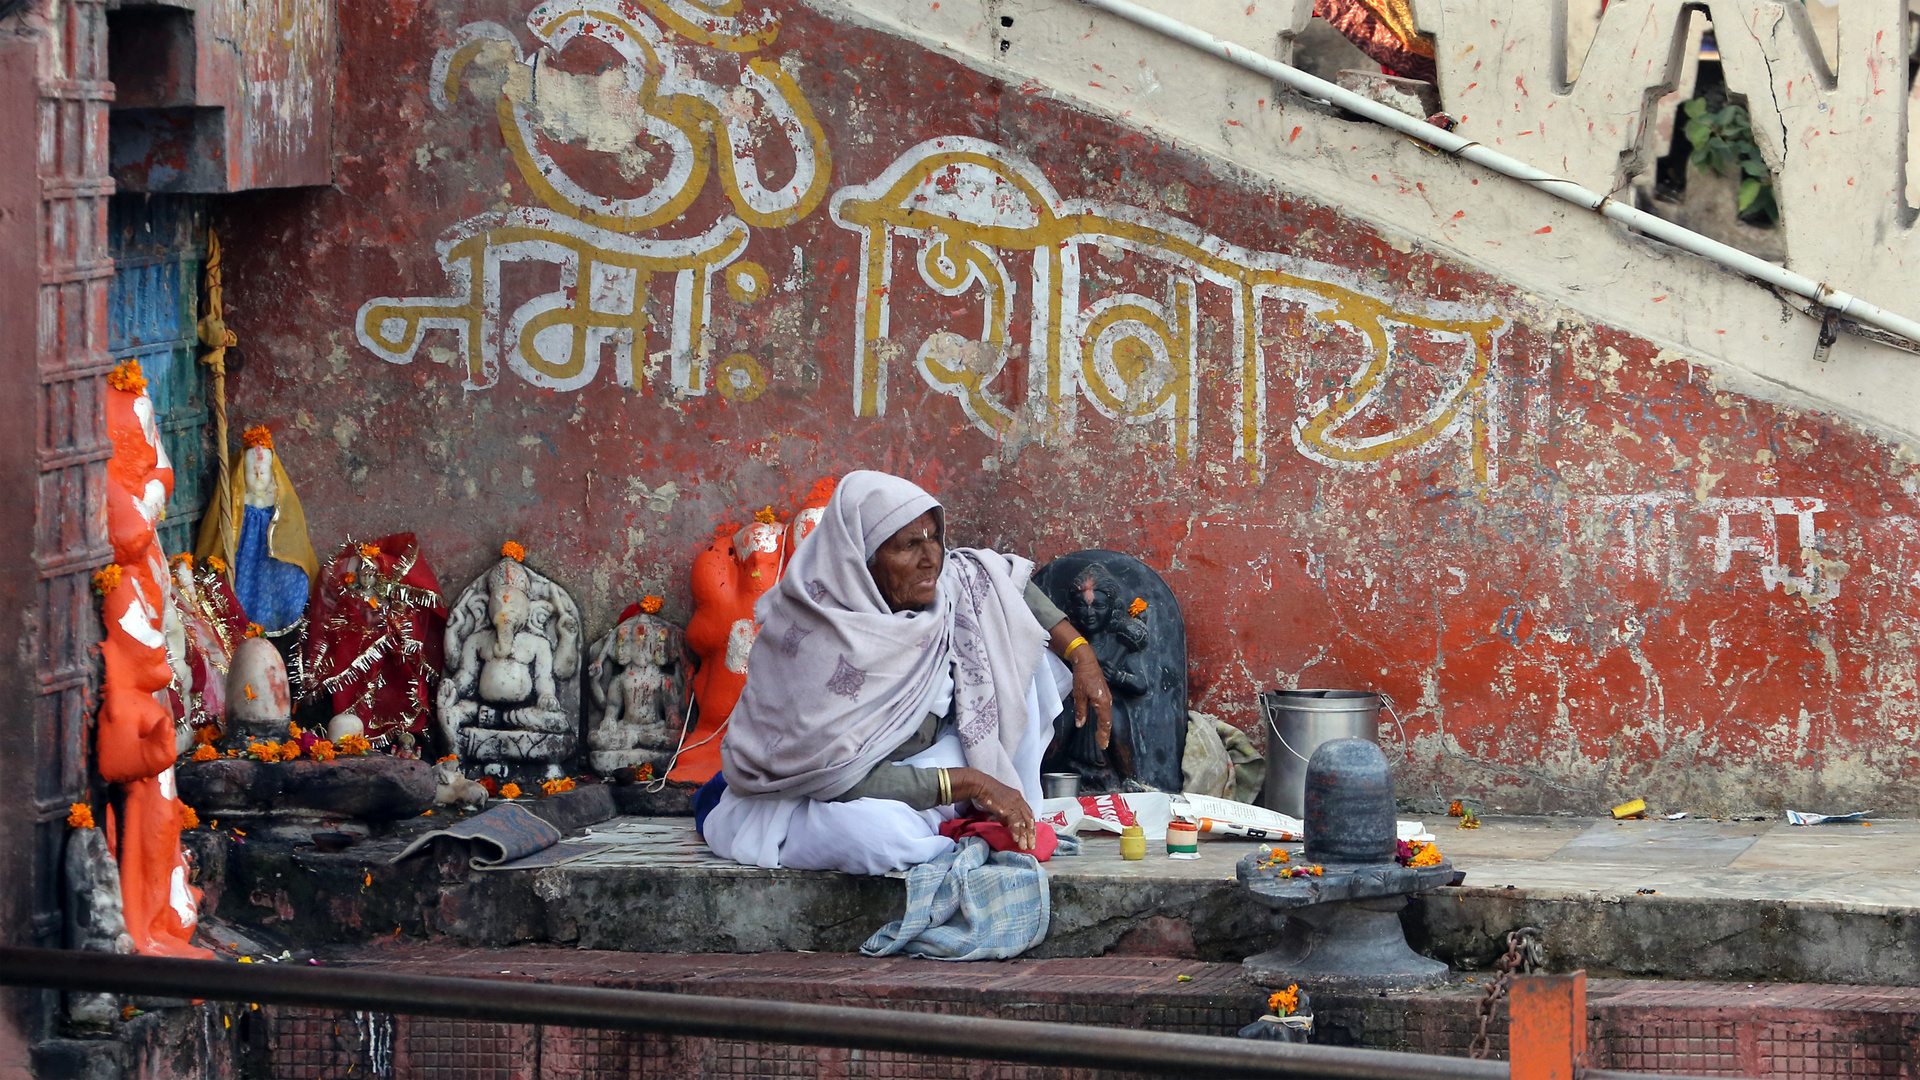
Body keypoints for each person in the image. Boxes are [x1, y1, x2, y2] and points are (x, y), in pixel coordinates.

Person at [702, 471, 1114, 875]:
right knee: (877, 839)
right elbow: (841, 780)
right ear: (860, 559)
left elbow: (1002, 580)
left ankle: (964, 815)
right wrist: (974, 784)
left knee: (1006, 628)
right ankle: (954, 823)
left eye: (934, 537)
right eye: (909, 545)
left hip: (928, 759)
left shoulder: (946, 586)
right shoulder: (809, 636)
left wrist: (1082, 656)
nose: (931, 557)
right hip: (828, 791)